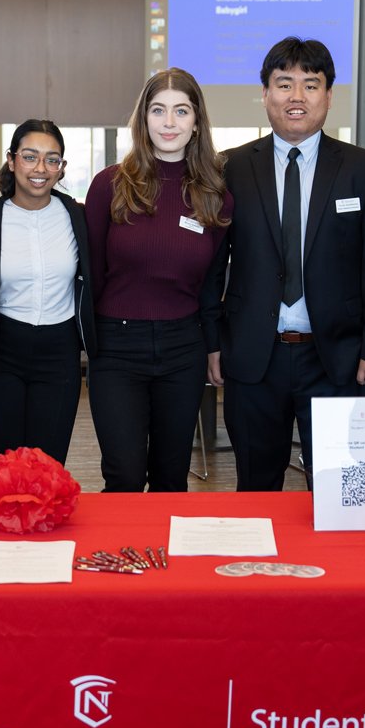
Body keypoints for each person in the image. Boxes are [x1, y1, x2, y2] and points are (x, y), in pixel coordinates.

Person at [202, 37, 365, 491]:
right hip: (254, 357)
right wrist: (212, 343)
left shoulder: (362, 168)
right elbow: (211, 267)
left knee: (344, 494)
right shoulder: (230, 168)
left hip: (340, 359)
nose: (297, 97)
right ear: (265, 93)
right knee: (256, 488)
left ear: (329, 96)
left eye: (310, 85)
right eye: (284, 84)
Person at [85, 68, 232, 492]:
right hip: (116, 350)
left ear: (197, 121)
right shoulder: (109, 185)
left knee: (171, 478)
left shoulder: (215, 194)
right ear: (143, 119)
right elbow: (92, 273)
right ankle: (122, 559)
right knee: (124, 476)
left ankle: (167, 560)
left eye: (181, 111)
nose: (169, 123)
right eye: (158, 110)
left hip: (183, 349)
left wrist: (212, 345)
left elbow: (211, 284)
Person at [0, 120, 96, 465]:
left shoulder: (78, 217)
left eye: (52, 159)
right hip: (2, 352)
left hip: (60, 352)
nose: (40, 168)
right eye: (30, 157)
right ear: (11, 161)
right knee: (8, 464)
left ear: (62, 168)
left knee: (49, 465)